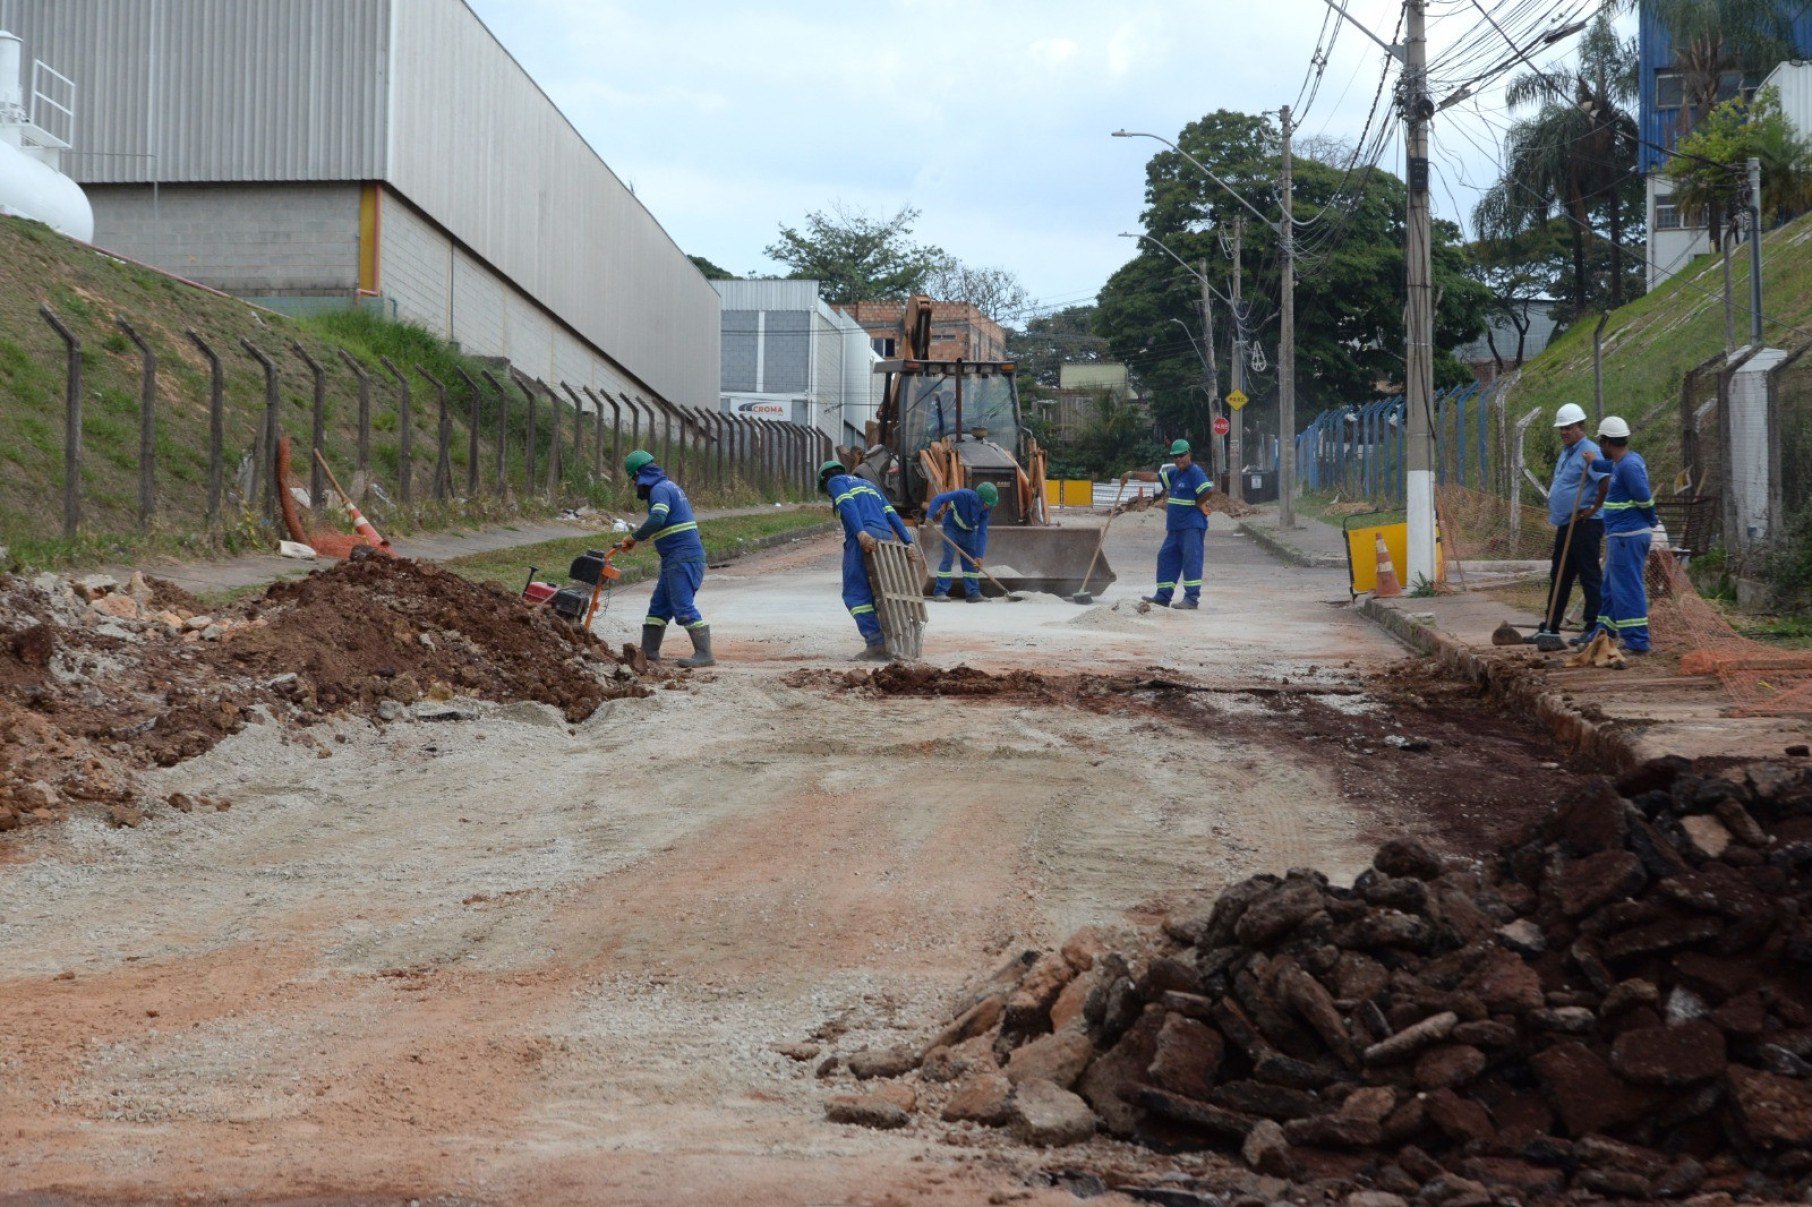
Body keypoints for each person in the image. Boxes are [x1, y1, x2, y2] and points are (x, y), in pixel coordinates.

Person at [617, 449, 714, 668]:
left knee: (682, 605)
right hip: (675, 557)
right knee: (659, 607)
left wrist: (635, 537)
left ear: (639, 475)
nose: (635, 485)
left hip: (683, 556)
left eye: (634, 479)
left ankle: (704, 653)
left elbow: (658, 517)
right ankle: (649, 654)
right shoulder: (669, 486)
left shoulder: (659, 490)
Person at [820, 459, 915, 660]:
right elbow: (891, 513)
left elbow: (847, 503)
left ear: (824, 480)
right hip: (885, 537)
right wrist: (908, 542)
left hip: (864, 537)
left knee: (854, 593)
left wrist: (860, 532)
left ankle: (875, 643)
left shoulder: (835, 482)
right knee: (881, 590)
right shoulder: (870, 485)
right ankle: (892, 641)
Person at [1537, 403, 1611, 646]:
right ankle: (1550, 626)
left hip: (1585, 523)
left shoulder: (1590, 451)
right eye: (1561, 428)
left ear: (1581, 426)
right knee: (1560, 573)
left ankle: (1594, 627)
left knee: (1589, 574)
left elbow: (1605, 481)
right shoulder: (1567, 451)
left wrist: (1593, 508)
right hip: (1567, 523)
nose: (1563, 432)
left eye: (1568, 428)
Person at [1120, 439, 1212, 609]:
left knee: (1191, 560)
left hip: (1191, 526)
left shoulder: (1195, 472)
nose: (1178, 459)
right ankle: (1163, 597)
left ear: (1189, 454)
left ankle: (1191, 599)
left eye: (1181, 455)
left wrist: (1199, 503)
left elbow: (1208, 490)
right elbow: (1153, 476)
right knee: (1166, 557)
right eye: (1175, 456)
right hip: (1175, 528)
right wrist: (1132, 474)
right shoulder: (1175, 474)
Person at [1593, 416, 1657, 654]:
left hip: (1627, 536)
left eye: (1601, 443)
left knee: (1627, 588)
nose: (1600, 447)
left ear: (1607, 442)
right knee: (1610, 587)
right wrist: (1594, 463)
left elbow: (1643, 495)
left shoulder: (1628, 466)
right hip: (1620, 537)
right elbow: (1611, 467)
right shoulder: (1625, 462)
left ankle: (1637, 640)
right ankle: (1603, 633)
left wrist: (1651, 517)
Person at [925, 481, 998, 602]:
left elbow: (982, 532)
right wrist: (929, 516)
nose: (989, 507)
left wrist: (979, 555)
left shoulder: (986, 510)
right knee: (948, 557)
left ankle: (973, 593)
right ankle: (940, 591)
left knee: (971, 560)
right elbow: (939, 498)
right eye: (987, 504)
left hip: (968, 532)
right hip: (952, 526)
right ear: (979, 499)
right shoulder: (963, 494)